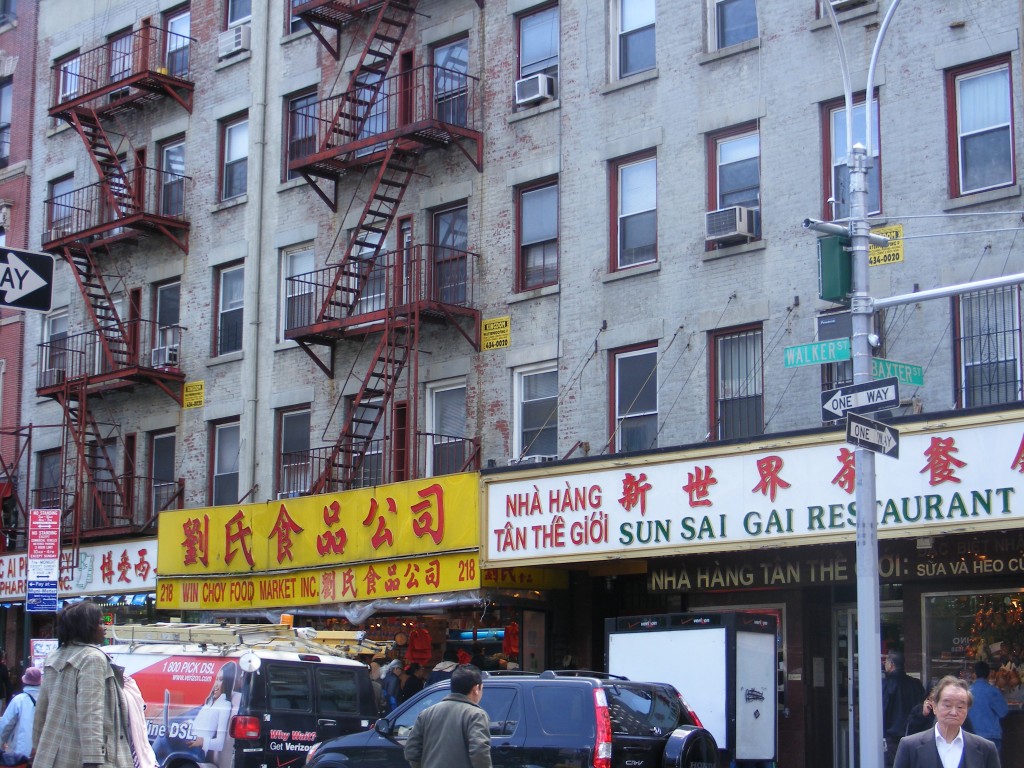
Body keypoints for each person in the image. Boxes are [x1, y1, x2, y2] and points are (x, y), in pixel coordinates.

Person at [33, 601, 134, 768]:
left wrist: (38, 746)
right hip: (84, 758)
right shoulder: (92, 658)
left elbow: (41, 710)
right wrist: (93, 760)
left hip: (52, 755)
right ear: (86, 627)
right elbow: (91, 713)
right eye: (100, 623)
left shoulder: (54, 656)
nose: (105, 627)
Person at [894, 676, 1000, 768]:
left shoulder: (986, 749)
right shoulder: (909, 746)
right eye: (947, 705)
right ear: (934, 707)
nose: (954, 712)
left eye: (960, 706)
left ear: (967, 710)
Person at [404, 664, 490, 768]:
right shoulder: (476, 714)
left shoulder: (427, 713)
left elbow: (411, 751)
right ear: (476, 688)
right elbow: (479, 751)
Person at [882, 650, 925, 767]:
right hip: (914, 734)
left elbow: (883, 711)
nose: (884, 664)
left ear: (891, 665)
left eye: (886, 662)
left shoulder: (886, 685)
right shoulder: (916, 684)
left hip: (893, 737)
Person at [0, 667, 41, 758]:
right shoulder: (47, 699)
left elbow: (6, 724)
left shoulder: (19, 700)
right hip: (42, 751)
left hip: (21, 751)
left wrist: (2, 743)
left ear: (24, 681)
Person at [969, 661, 1009, 753]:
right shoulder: (993, 691)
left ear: (974, 674)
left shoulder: (967, 691)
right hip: (991, 736)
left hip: (971, 736)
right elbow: (1003, 712)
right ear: (989, 674)